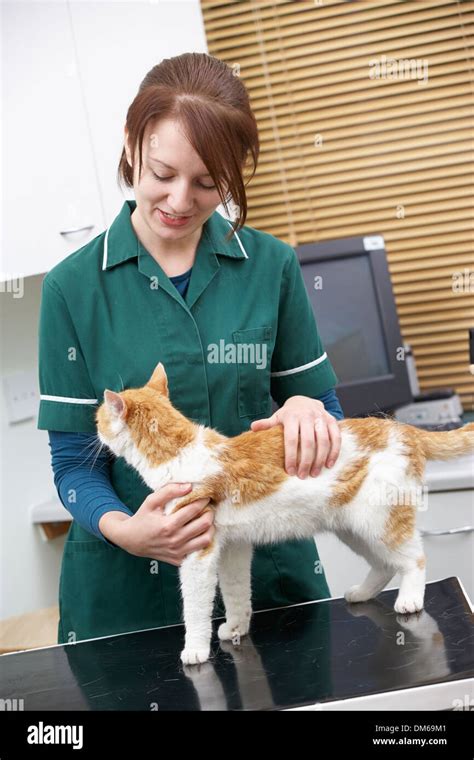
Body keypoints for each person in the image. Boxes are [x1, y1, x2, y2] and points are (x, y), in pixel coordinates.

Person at [37, 52, 344, 645]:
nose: (180, 201)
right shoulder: (71, 289)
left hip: (270, 582)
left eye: (208, 183)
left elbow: (321, 411)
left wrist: (311, 412)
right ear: (131, 146)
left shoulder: (271, 267)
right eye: (162, 173)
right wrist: (129, 530)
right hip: (129, 603)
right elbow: (73, 464)